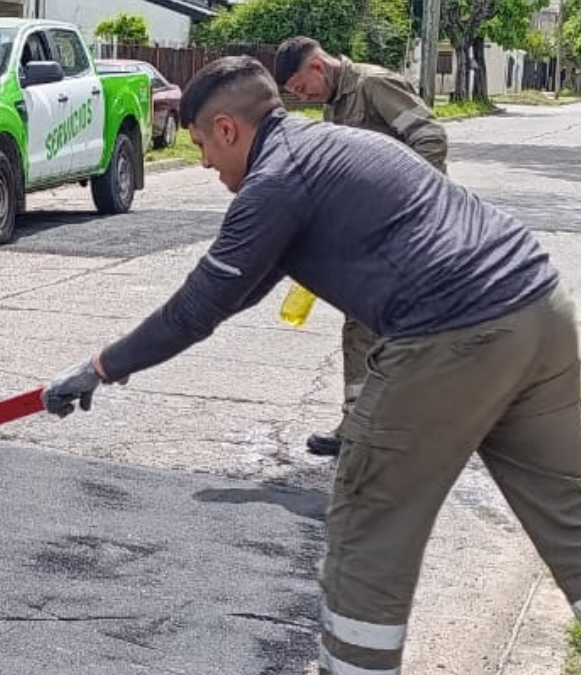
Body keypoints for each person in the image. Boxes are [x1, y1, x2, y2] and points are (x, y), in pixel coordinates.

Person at [41, 55, 581, 675]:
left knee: (368, 528)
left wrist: (101, 367)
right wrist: (111, 366)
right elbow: (240, 290)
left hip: (454, 334)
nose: (204, 164)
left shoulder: (275, 180)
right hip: (541, 308)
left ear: (227, 129)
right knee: (568, 510)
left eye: (200, 146)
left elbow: (197, 308)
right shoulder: (325, 145)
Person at [273, 36, 449, 458]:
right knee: (362, 326)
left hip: (404, 229)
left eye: (301, 88)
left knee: (392, 330)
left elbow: (431, 138)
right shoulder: (336, 102)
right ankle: (360, 425)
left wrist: (402, 201)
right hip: (369, 234)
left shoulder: (373, 85)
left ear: (317, 66)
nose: (303, 97)